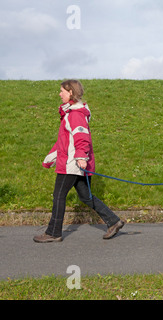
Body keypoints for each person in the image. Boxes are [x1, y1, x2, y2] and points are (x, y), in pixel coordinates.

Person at [33, 80, 125, 243]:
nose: (59, 94)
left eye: (62, 91)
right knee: (86, 196)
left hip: (72, 164)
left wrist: (81, 157)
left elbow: (82, 137)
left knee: (59, 195)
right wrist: (50, 158)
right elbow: (64, 141)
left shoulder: (75, 114)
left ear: (70, 92)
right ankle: (114, 221)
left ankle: (53, 232)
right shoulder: (71, 113)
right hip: (76, 162)